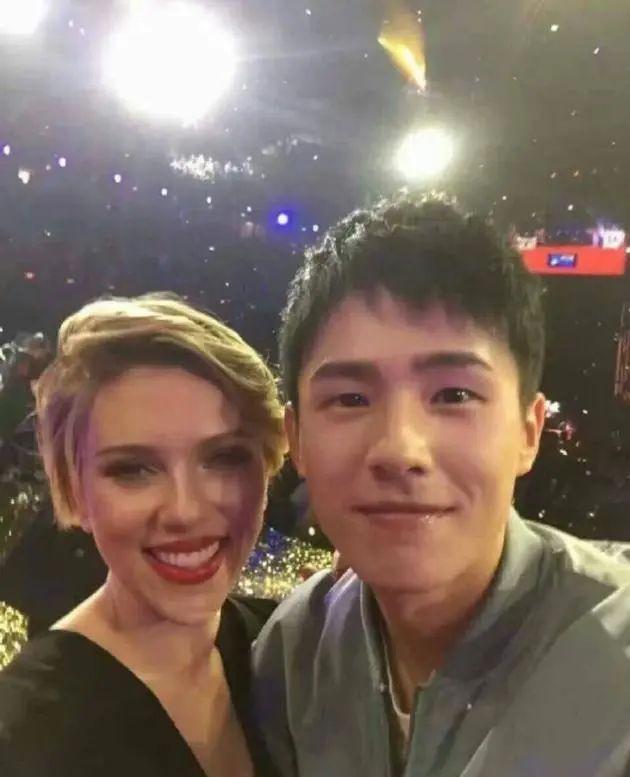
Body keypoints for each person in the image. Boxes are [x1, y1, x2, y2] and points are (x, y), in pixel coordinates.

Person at [252, 194, 630, 776]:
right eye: (350, 399)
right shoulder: (292, 652)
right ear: (296, 440)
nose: (400, 449)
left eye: (454, 395)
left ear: (529, 432)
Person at [0, 293, 287, 777]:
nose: (185, 510)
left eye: (224, 458)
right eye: (133, 469)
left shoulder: (292, 650)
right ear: (73, 490)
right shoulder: (22, 739)